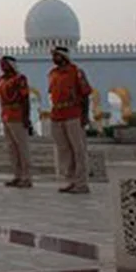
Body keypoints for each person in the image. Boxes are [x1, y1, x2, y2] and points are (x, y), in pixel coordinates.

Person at [48, 46, 92, 193]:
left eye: (56, 55)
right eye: (53, 55)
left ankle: (81, 183)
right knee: (64, 150)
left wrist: (85, 116)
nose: (54, 58)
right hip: (57, 114)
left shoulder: (76, 72)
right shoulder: (53, 74)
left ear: (63, 56)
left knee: (78, 149)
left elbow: (85, 94)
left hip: (73, 114)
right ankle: (71, 180)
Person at [0, 56, 32, 188]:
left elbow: (25, 98)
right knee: (12, 148)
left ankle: (26, 177)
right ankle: (17, 175)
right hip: (7, 116)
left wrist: (26, 117)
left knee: (22, 147)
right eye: (1, 64)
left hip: (17, 115)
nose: (2, 67)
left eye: (5, 64)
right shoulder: (1, 80)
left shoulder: (20, 79)